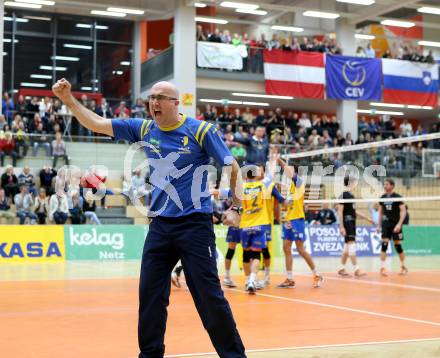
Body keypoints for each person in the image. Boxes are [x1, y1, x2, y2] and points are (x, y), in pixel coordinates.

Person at [52, 78, 246, 358]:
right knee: (150, 296)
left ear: (175, 103)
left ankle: (234, 356)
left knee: (209, 298)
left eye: (161, 97)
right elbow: (96, 123)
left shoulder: (201, 131)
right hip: (161, 227)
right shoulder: (144, 128)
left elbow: (234, 167)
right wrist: (69, 101)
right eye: (151, 97)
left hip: (195, 226)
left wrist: (236, 207)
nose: (154, 102)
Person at [277, 158, 323, 289]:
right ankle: (290, 278)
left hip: (297, 219)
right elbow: (289, 203)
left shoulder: (299, 182)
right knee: (286, 247)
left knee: (300, 249)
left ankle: (317, 274)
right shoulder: (291, 187)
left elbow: (289, 173)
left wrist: (279, 161)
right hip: (289, 220)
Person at [238, 164, 284, 294]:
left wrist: (210, 191)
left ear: (246, 176)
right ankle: (253, 279)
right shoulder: (263, 185)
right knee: (257, 253)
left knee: (247, 254)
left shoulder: (241, 187)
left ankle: (248, 280)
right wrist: (274, 161)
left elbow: (224, 192)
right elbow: (272, 173)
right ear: (256, 174)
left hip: (246, 225)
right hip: (261, 224)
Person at [337, 176, 373, 277]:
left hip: (352, 222)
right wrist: (341, 226)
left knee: (346, 248)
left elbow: (354, 211)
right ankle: (357, 270)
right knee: (351, 245)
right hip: (347, 223)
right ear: (351, 183)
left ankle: (341, 268)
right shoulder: (343, 195)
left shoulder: (351, 196)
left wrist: (367, 218)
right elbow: (340, 211)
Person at [378, 179, 408, 277]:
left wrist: (399, 224)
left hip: (396, 225)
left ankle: (403, 267)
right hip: (386, 225)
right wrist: (378, 225)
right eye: (384, 184)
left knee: (398, 246)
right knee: (384, 245)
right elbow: (380, 212)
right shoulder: (382, 197)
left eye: (386, 184)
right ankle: (382, 268)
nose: (385, 186)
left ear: (392, 186)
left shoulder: (398, 197)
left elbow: (403, 212)